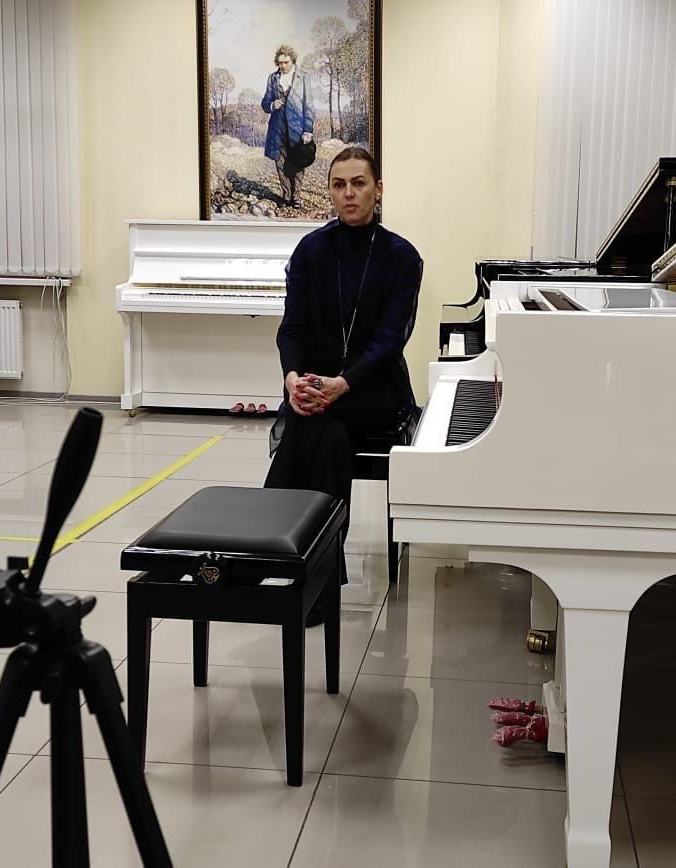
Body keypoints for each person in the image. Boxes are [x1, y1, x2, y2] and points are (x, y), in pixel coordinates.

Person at [265, 146, 423, 624]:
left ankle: (272, 548)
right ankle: (317, 576)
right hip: (318, 387)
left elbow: (390, 342)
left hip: (374, 389)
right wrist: (293, 378)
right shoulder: (310, 250)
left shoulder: (401, 257)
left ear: (378, 190)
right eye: (339, 185)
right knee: (327, 432)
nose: (349, 193)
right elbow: (291, 328)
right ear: (330, 192)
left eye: (359, 183)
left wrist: (342, 384)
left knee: (315, 421)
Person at [261, 44, 314, 208]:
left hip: (297, 129)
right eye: (280, 63)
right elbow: (265, 103)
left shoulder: (303, 77)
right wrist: (272, 105)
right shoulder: (272, 78)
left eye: (286, 62)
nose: (282, 66)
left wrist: (308, 130)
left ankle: (296, 197)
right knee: (280, 162)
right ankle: (286, 196)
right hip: (277, 129)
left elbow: (309, 105)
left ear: (293, 61)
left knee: (298, 161)